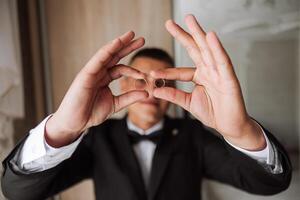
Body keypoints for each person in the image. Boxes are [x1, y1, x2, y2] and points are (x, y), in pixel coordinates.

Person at [1, 15, 291, 200]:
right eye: (142, 80)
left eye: (164, 83)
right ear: (124, 85)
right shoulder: (98, 138)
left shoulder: (191, 134)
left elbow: (269, 184)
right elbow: (18, 191)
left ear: (176, 91)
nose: (152, 91)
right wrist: (61, 129)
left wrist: (241, 132)